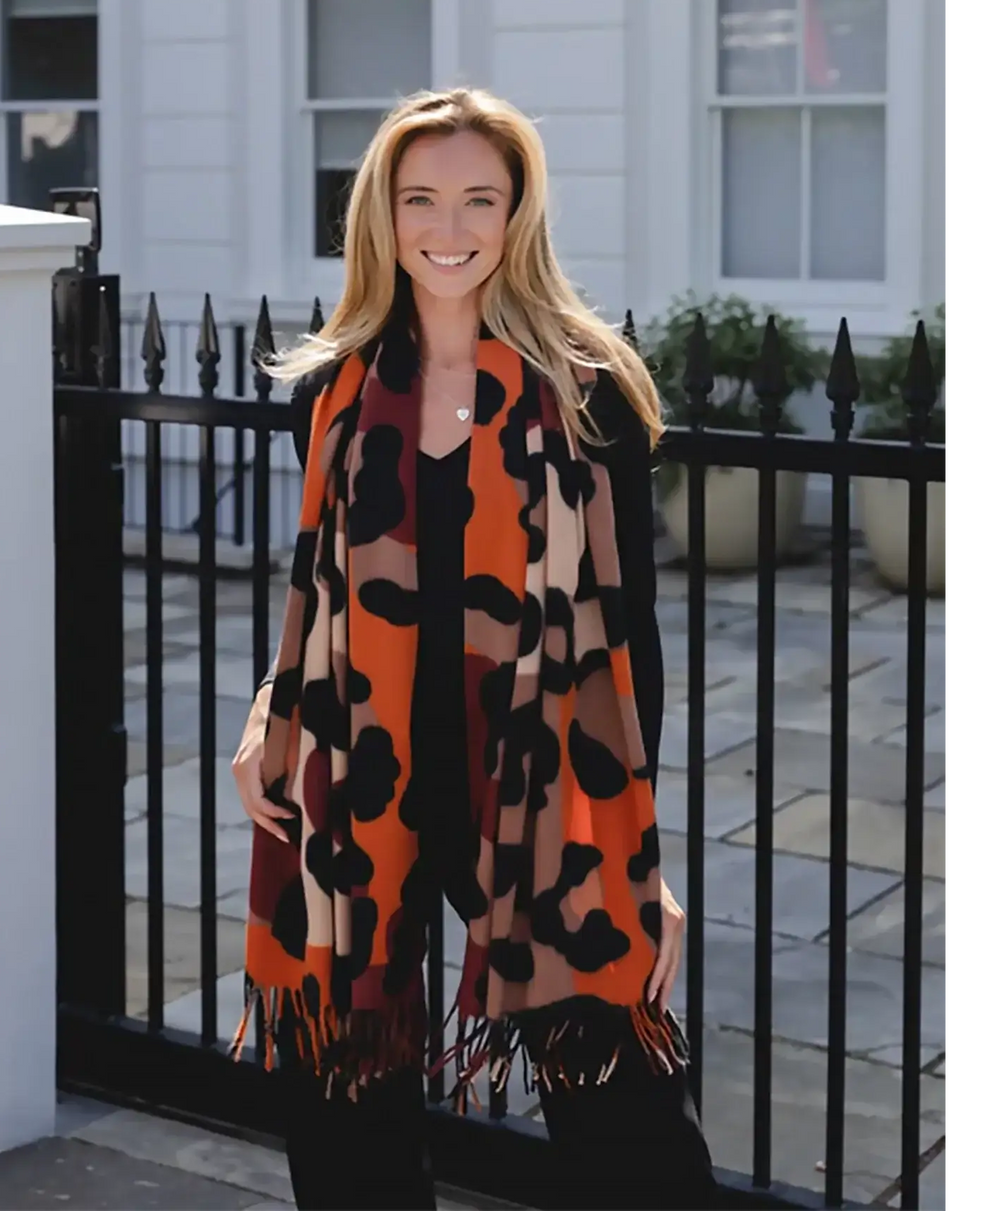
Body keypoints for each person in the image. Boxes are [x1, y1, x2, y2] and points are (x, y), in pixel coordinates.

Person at [230, 87, 718, 1209]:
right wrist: (269, 705)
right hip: (356, 791)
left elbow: (629, 641)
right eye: (420, 199)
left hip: (541, 793)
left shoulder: (588, 399)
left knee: (629, 1125)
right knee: (345, 1123)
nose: (447, 228)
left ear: (516, 215)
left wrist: (643, 856)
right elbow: (318, 597)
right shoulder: (335, 393)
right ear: (382, 215)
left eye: (477, 199)